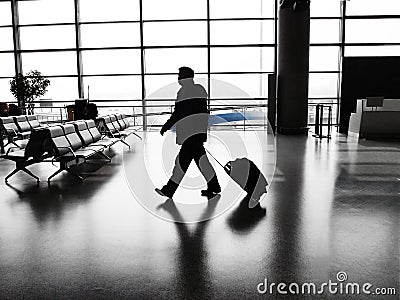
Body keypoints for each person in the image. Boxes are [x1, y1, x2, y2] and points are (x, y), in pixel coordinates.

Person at [155, 66, 221, 199]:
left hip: (189, 133)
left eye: (179, 75)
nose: (178, 78)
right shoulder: (200, 89)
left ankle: (169, 190)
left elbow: (178, 113)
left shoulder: (184, 92)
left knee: (181, 161)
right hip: (198, 132)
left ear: (184, 77)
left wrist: (166, 126)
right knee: (202, 161)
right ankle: (214, 186)